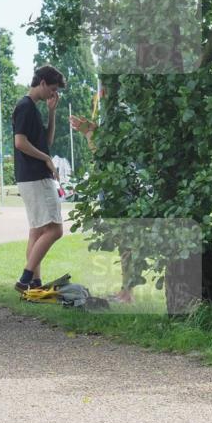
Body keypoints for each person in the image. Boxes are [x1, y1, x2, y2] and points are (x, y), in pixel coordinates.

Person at [70, 113, 143, 303]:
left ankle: (128, 293)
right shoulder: (116, 125)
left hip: (119, 193)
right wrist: (89, 130)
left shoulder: (119, 132)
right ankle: (125, 291)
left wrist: (88, 134)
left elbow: (101, 156)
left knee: (126, 244)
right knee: (123, 244)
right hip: (117, 191)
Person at [12, 65, 66, 292]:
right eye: (52, 89)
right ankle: (25, 278)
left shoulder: (33, 108)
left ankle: (35, 282)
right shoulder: (25, 106)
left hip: (29, 176)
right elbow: (20, 142)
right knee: (55, 230)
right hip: (35, 176)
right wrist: (47, 160)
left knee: (37, 230)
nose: (52, 94)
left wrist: (52, 112)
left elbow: (47, 141)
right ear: (42, 82)